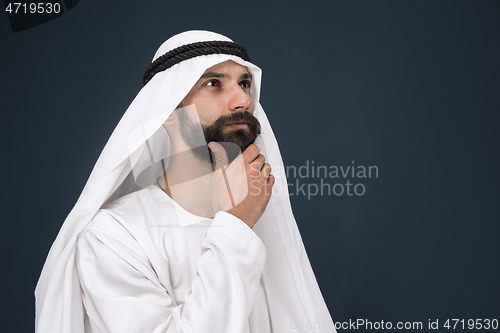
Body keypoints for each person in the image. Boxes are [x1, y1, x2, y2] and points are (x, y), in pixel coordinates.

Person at [35, 30, 335, 332]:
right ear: (166, 111)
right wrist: (237, 227)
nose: (243, 99)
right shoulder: (114, 236)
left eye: (244, 83)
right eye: (213, 84)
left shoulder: (264, 217)